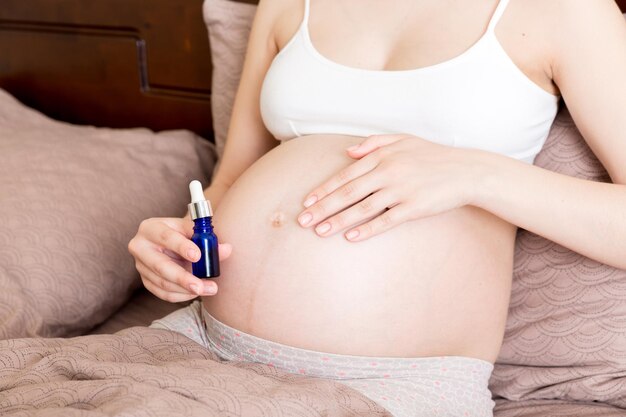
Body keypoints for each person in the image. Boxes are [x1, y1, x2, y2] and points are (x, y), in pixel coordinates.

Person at [127, 0, 626, 415]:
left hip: (391, 386)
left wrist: (477, 173)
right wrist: (174, 241)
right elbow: (231, 177)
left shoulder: (566, 10)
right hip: (203, 341)